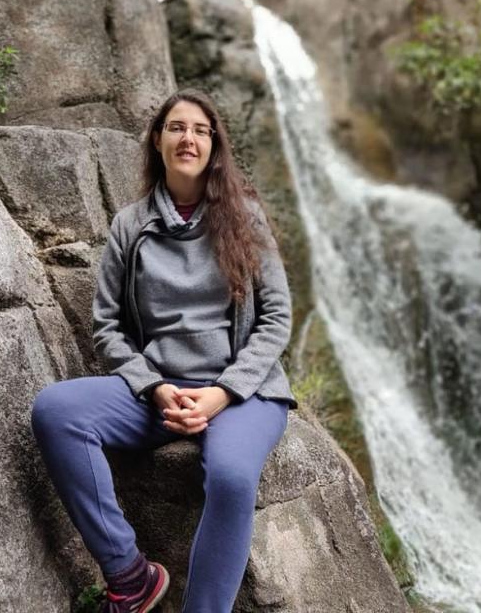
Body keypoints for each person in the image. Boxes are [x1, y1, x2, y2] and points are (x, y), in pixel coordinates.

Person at [30, 88, 298, 613]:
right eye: (177, 127)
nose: (188, 138)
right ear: (157, 140)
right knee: (56, 411)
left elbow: (276, 318)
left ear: (214, 144)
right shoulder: (131, 225)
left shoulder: (245, 218)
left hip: (242, 393)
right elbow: (106, 326)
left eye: (200, 130)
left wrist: (223, 393)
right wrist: (153, 387)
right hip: (160, 392)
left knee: (231, 475)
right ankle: (129, 575)